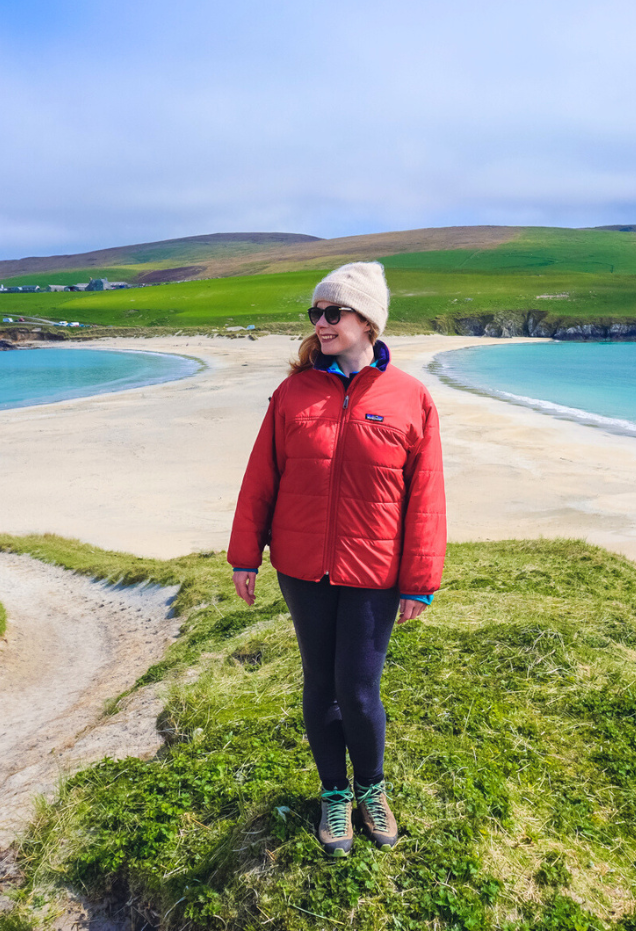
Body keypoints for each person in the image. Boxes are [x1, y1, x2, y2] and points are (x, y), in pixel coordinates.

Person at [227, 261, 447, 856]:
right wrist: (245, 555)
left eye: (333, 313)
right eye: (315, 314)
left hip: (375, 573)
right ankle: (334, 796)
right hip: (302, 568)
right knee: (320, 686)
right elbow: (260, 478)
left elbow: (426, 497)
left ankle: (371, 790)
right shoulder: (293, 393)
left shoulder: (410, 398)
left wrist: (419, 580)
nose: (320, 324)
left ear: (367, 321)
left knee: (359, 691)